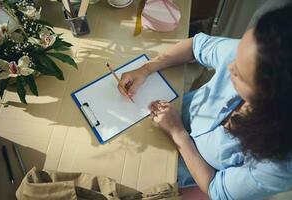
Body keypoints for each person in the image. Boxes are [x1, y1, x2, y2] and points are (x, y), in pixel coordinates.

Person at [118, 4, 292, 200]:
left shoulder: (281, 163)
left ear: (271, 99)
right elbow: (196, 46)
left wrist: (178, 134)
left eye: (240, 75)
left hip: (181, 177)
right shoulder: (253, 52)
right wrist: (147, 68)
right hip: (160, 123)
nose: (229, 66)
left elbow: (218, 190)